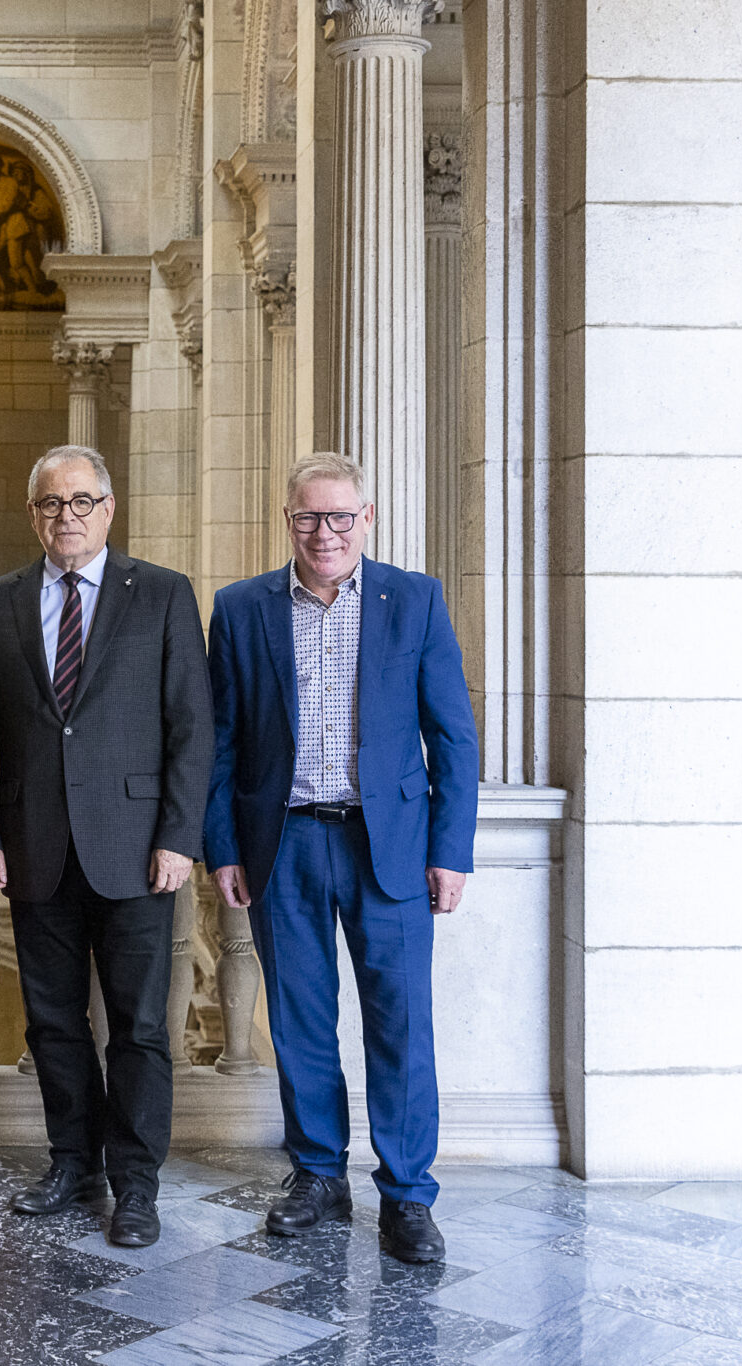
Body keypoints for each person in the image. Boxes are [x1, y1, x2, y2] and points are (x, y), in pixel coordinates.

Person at [204, 452, 479, 1265]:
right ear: (287, 520)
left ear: (367, 519)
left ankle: (407, 1194)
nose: (323, 533)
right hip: (282, 843)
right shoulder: (243, 608)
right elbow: (221, 744)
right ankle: (318, 1175)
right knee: (299, 1022)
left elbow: (453, 737)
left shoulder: (415, 600)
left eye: (339, 517)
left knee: (401, 1024)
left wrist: (451, 851)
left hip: (386, 845)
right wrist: (224, 845)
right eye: (307, 517)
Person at [0, 444, 210, 1250]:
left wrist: (178, 834)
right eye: (51, 504)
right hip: (34, 844)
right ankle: (73, 1163)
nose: (66, 517)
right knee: (54, 1022)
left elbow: (190, 728)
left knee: (138, 1026)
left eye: (81, 502)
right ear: (33, 515)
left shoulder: (164, 594)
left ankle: (136, 1183)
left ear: (109, 508)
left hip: (138, 850)